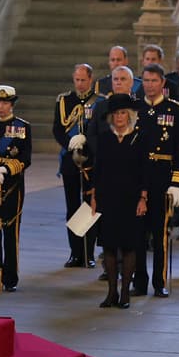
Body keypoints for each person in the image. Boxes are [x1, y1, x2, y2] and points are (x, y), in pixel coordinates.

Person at [131, 64, 179, 298]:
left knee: (160, 233)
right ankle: (139, 282)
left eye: (154, 80)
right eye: (146, 80)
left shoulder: (176, 110)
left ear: (163, 83)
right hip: (138, 178)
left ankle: (159, 282)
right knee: (137, 234)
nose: (150, 85)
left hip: (163, 177)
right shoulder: (134, 109)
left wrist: (178, 182)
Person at [88, 93, 148, 309]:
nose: (120, 116)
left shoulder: (139, 137)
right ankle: (111, 291)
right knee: (110, 246)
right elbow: (98, 169)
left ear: (129, 115)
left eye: (123, 112)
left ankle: (125, 293)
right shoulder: (105, 138)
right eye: (116, 113)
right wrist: (94, 197)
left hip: (131, 199)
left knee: (129, 245)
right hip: (108, 197)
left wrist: (143, 198)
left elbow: (144, 171)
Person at [0, 85, 31, 292]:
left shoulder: (22, 127)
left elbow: (25, 159)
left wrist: (5, 169)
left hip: (12, 187)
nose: (1, 106)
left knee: (11, 234)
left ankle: (10, 278)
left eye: (5, 103)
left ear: (12, 104)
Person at [54, 64, 100, 268]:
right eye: (77, 80)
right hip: (70, 160)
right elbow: (57, 128)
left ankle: (88, 252)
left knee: (89, 206)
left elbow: (100, 129)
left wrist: (86, 141)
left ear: (91, 79)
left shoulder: (100, 101)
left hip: (91, 161)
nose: (80, 84)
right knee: (72, 206)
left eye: (83, 80)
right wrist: (69, 143)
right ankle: (75, 252)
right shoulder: (64, 100)